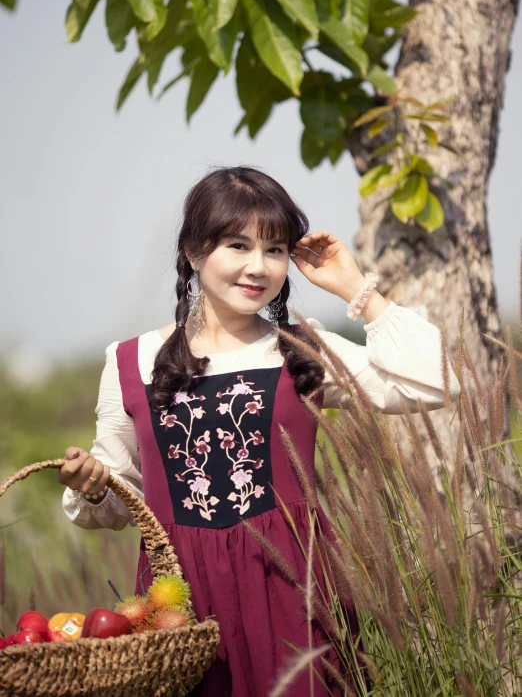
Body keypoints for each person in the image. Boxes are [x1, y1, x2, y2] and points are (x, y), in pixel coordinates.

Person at [59, 166, 460, 696]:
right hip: (180, 607)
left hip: (295, 593)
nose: (258, 267)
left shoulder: (303, 346)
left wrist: (356, 289)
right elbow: (121, 500)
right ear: (194, 253)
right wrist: (92, 485)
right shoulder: (130, 361)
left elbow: (437, 383)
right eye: (238, 245)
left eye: (274, 250)